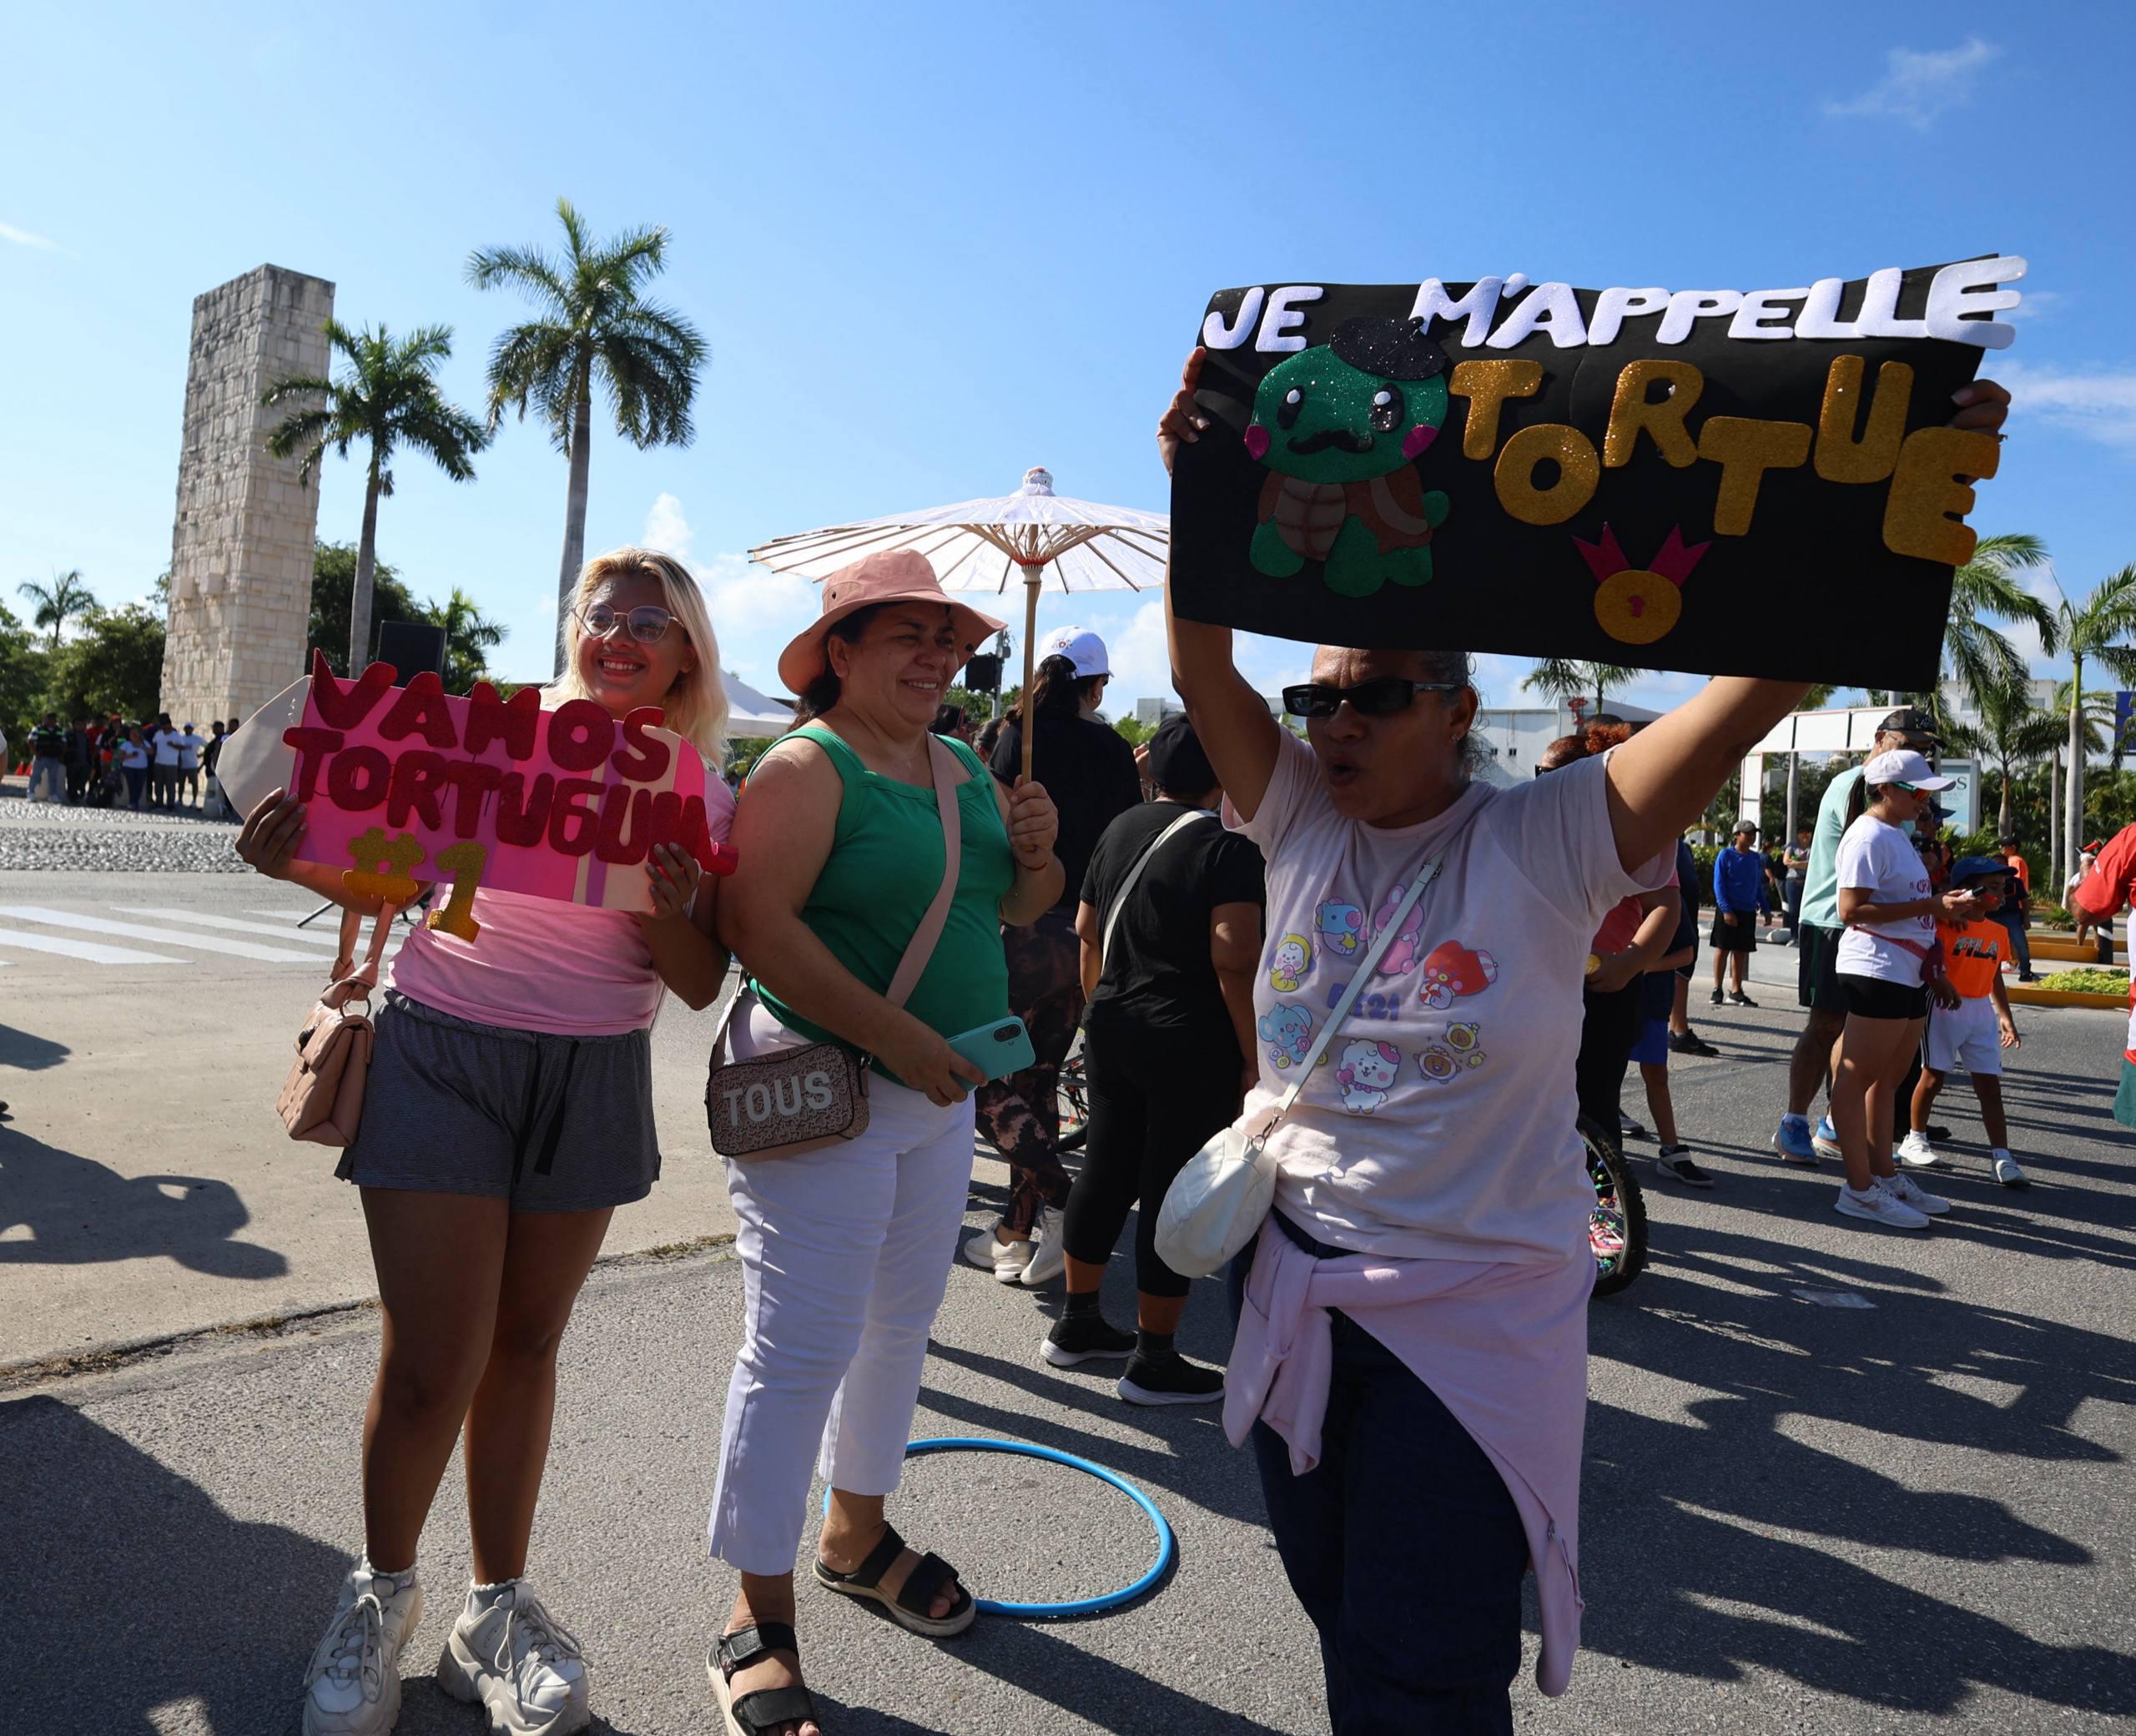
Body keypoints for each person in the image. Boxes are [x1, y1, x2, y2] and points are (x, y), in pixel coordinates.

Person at [1156, 350, 2008, 1730]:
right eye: (1318, 700)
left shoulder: (1546, 837)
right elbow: (1202, 661)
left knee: (1425, 1665)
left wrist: (1893, 474)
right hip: (1293, 1286)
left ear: (1456, 710)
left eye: (1375, 696)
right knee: (1342, 1615)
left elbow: (1756, 689)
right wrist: (1199, 482)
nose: (1336, 723)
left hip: (1470, 1322)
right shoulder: (1298, 817)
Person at [238, 546, 734, 1736]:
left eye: (650, 622)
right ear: (573, 632)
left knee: (525, 1344)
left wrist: (668, 907)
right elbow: (392, 884)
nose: (620, 636)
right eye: (602, 614)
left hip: (594, 1074)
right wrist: (287, 858)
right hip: (443, 1050)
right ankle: (381, 1594)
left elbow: (699, 979)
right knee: (431, 1360)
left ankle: (493, 1611)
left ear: (686, 655)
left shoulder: (704, 792)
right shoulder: (493, 745)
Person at [708, 549, 1060, 1736]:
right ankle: (756, 1613)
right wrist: (899, 1037)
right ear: (840, 653)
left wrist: (1042, 847)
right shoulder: (807, 766)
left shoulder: (960, 764)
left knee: (899, 1325)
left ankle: (853, 1535)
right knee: (797, 1350)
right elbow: (754, 923)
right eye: (907, 633)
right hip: (827, 1086)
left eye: (948, 637)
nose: (937, 655)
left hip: (934, 1095)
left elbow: (1014, 905)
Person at [1049, 711, 1265, 1404]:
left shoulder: (1120, 828)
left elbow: (1087, 930)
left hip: (1112, 1023)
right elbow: (1235, 956)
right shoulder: (1229, 847)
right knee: (1171, 1186)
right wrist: (1254, 1056)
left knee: (1105, 1166)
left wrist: (1100, 1011)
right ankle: (1154, 1358)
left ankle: (1077, 1322)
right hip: (1190, 1039)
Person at [964, 626, 1141, 1283]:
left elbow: (992, 828)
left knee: (978, 1078)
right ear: (1097, 686)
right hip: (1088, 939)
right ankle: (1016, 1233)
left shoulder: (1022, 734)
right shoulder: (1117, 750)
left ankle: (1062, 1203)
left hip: (1025, 931)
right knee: (1036, 1085)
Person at [1775, 708, 1946, 1165]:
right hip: (1834, 922)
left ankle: (1838, 1125)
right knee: (1827, 1023)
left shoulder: (1904, 796)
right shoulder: (1857, 785)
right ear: (1880, 738)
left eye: (1924, 749)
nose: (1917, 755)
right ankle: (1795, 1122)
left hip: (1879, 930)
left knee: (1860, 1031)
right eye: (1909, 744)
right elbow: (1863, 862)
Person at [1827, 750, 1982, 1230]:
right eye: (1917, 792)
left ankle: (1884, 1176)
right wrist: (1933, 906)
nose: (1924, 802)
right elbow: (1850, 910)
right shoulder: (1868, 835)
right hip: (1876, 968)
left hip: (1906, 969)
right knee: (1856, 1079)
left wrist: (1941, 912)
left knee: (1887, 1080)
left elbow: (1908, 906)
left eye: (1927, 794)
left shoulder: (1895, 834)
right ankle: (1859, 1190)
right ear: (1885, 789)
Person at [1539, 728, 1681, 1145]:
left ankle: (1599, 1189)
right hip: (1538, 984)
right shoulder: (1530, 827)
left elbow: (1665, 907)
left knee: (1594, 1110)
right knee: (1532, 1107)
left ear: (1585, 780)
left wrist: (1628, 963)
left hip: (1604, 988)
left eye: (1549, 776)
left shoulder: (1631, 830)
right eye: (1538, 774)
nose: (1539, 786)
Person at [1902, 857, 2026, 1187]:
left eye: (2004, 887)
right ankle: (1915, 1139)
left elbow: (1995, 975)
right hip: (1943, 1006)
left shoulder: (1999, 932)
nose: (2002, 894)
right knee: (1933, 1077)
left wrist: (2005, 1017)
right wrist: (1944, 912)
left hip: (1980, 1011)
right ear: (1968, 890)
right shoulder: (1940, 924)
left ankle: (2002, 1157)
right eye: (1994, 887)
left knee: (1990, 1085)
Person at [1634, 846, 1711, 1185]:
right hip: (1606, 997)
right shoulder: (1604, 883)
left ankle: (1671, 1149)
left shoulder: (1665, 892)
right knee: (1599, 1074)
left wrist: (1641, 964)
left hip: (1649, 1000)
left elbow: (1686, 953)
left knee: (1656, 1073)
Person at [1665, 834, 1720, 1057]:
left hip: (1686, 917)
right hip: (1674, 917)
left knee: (1684, 968)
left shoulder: (1681, 844)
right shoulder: (1665, 839)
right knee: (1679, 965)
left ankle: (1678, 1028)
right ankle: (1678, 1032)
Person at [1710, 821, 1768, 1005]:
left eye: (1753, 834)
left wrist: (1765, 908)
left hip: (1748, 910)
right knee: (1722, 949)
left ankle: (1736, 990)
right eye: (1747, 833)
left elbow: (1757, 885)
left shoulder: (1755, 858)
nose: (1751, 837)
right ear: (1737, 835)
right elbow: (1718, 884)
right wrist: (1726, 910)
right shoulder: (1726, 855)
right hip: (1728, 909)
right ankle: (1717, 988)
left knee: (1741, 951)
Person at [27, 712, 66, 803]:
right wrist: (36, 753)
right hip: (41, 757)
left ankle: (52, 795)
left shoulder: (60, 730)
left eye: (53, 718)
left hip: (55, 758)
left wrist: (61, 755)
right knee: (35, 776)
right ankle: (30, 793)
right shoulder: (38, 729)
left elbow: (64, 744)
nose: (51, 720)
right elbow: (30, 741)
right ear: (45, 719)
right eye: (49, 718)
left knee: (53, 778)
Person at [1782, 823, 1811, 931]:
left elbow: (1814, 864)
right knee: (1794, 910)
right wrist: (1805, 864)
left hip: (1807, 882)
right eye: (1802, 832)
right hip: (1793, 882)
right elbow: (1786, 861)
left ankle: (1804, 935)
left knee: (1807, 910)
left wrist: (1796, 863)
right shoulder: (1792, 846)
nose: (1805, 835)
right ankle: (1794, 935)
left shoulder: (1814, 846)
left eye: (1808, 832)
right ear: (1797, 835)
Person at [150, 712, 181, 808]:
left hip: (171, 764)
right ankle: (159, 801)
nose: (166, 729)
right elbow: (153, 744)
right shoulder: (158, 734)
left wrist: (173, 745)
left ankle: (170, 803)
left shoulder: (176, 735)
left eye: (168, 728)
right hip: (159, 762)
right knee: (158, 784)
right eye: (164, 728)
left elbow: (183, 747)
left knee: (170, 785)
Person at [174, 720, 206, 807]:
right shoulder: (181, 738)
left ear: (192, 729)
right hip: (182, 765)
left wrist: (201, 754)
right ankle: (180, 799)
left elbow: (207, 746)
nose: (188, 730)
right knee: (181, 783)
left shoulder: (197, 738)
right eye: (187, 728)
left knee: (194, 784)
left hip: (193, 765)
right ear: (184, 729)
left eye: (190, 728)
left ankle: (194, 801)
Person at [117, 726, 149, 809]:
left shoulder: (144, 743)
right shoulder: (126, 744)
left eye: (136, 733)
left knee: (139, 786)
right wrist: (130, 756)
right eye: (132, 733)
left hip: (142, 768)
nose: (134, 735)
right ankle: (133, 803)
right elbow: (120, 757)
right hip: (129, 768)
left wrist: (142, 746)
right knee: (131, 785)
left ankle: (134, 802)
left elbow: (151, 752)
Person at [63, 716, 94, 803]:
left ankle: (79, 791)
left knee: (84, 777)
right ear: (73, 725)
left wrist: (90, 760)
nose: (80, 726)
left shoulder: (85, 736)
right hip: (72, 761)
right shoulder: (68, 734)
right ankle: (72, 795)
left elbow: (88, 749)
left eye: (82, 724)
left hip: (84, 762)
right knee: (71, 779)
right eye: (78, 724)